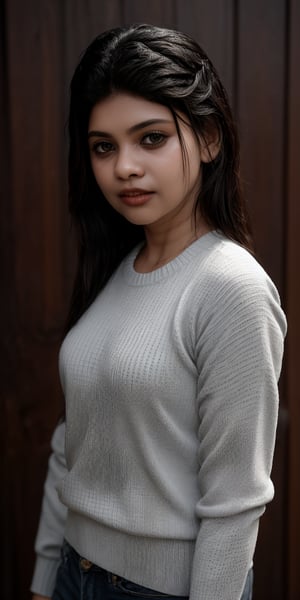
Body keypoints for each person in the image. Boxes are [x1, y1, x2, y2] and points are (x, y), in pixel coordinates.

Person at [31, 24, 286, 600]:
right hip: (76, 572)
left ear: (210, 137)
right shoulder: (112, 270)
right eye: (104, 146)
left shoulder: (230, 287)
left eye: (150, 138)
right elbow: (71, 443)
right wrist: (47, 577)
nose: (124, 167)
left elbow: (235, 506)